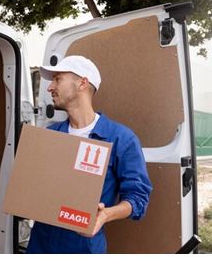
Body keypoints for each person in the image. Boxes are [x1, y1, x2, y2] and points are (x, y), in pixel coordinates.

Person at [26, 55, 152, 254]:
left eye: (58, 79)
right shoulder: (49, 135)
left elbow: (138, 198)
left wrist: (105, 215)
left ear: (82, 83)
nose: (50, 87)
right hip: (41, 245)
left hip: (83, 247)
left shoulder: (121, 139)